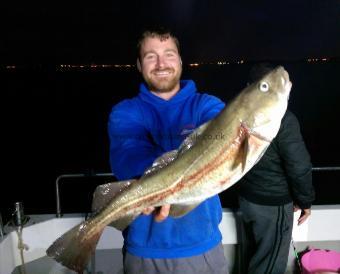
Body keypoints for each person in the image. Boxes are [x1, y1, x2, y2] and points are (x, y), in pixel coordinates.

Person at [108, 27, 229, 274]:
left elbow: (223, 138)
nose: (161, 63)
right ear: (140, 65)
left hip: (203, 245)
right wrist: (161, 187)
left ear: (181, 61)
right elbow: (128, 155)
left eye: (169, 54)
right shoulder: (126, 112)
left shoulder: (208, 106)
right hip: (144, 250)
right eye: (151, 56)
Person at [238, 63, 315, 274]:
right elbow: (299, 166)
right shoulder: (284, 119)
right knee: (268, 267)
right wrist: (305, 201)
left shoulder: (238, 119)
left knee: (250, 259)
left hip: (246, 201)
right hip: (273, 205)